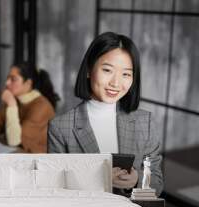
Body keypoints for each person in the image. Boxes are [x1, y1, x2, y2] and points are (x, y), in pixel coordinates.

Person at [47, 32, 163, 195]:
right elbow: (55, 187)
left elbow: (157, 183)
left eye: (126, 74)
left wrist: (137, 180)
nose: (116, 83)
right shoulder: (60, 128)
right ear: (89, 70)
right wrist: (100, 179)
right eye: (107, 70)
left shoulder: (145, 122)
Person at [0, 62, 59, 153]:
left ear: (28, 83)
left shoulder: (41, 107)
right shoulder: (17, 99)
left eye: (13, 79)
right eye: (8, 79)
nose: (7, 83)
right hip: (17, 154)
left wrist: (11, 104)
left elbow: (14, 141)